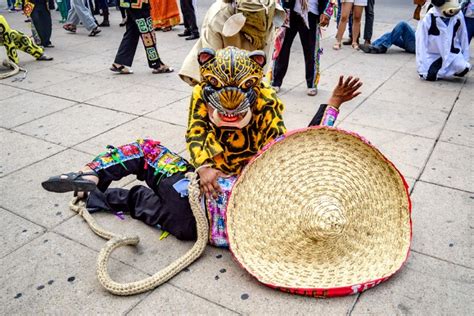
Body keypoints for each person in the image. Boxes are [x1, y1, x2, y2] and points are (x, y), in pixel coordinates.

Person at [41, 47, 363, 243]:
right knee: (151, 156)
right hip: (205, 176)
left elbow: (299, 147)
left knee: (183, 225)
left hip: (217, 200)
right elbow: (196, 130)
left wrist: (332, 103)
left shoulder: (265, 100)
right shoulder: (200, 94)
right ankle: (92, 174)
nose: (230, 115)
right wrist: (206, 165)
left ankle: (108, 196)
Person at [179, 0, 285, 86]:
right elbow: (264, 60)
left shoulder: (218, 12)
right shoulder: (271, 9)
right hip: (249, 81)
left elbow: (210, 64)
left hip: (225, 82)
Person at [270, 0, 334, 96]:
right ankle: (275, 81)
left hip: (311, 13)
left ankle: (311, 83)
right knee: (282, 48)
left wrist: (327, 12)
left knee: (310, 50)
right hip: (289, 12)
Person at [110, 0, 173, 74]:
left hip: (131, 3)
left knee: (132, 31)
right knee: (147, 33)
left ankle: (119, 62)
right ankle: (156, 64)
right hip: (139, 4)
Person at [416, 0, 471, 80]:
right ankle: (439, 70)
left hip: (452, 53)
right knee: (429, 76)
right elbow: (421, 43)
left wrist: (465, 57)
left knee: (463, 67)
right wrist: (421, 66)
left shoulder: (457, 14)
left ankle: (447, 69)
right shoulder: (428, 18)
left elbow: (463, 35)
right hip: (434, 55)